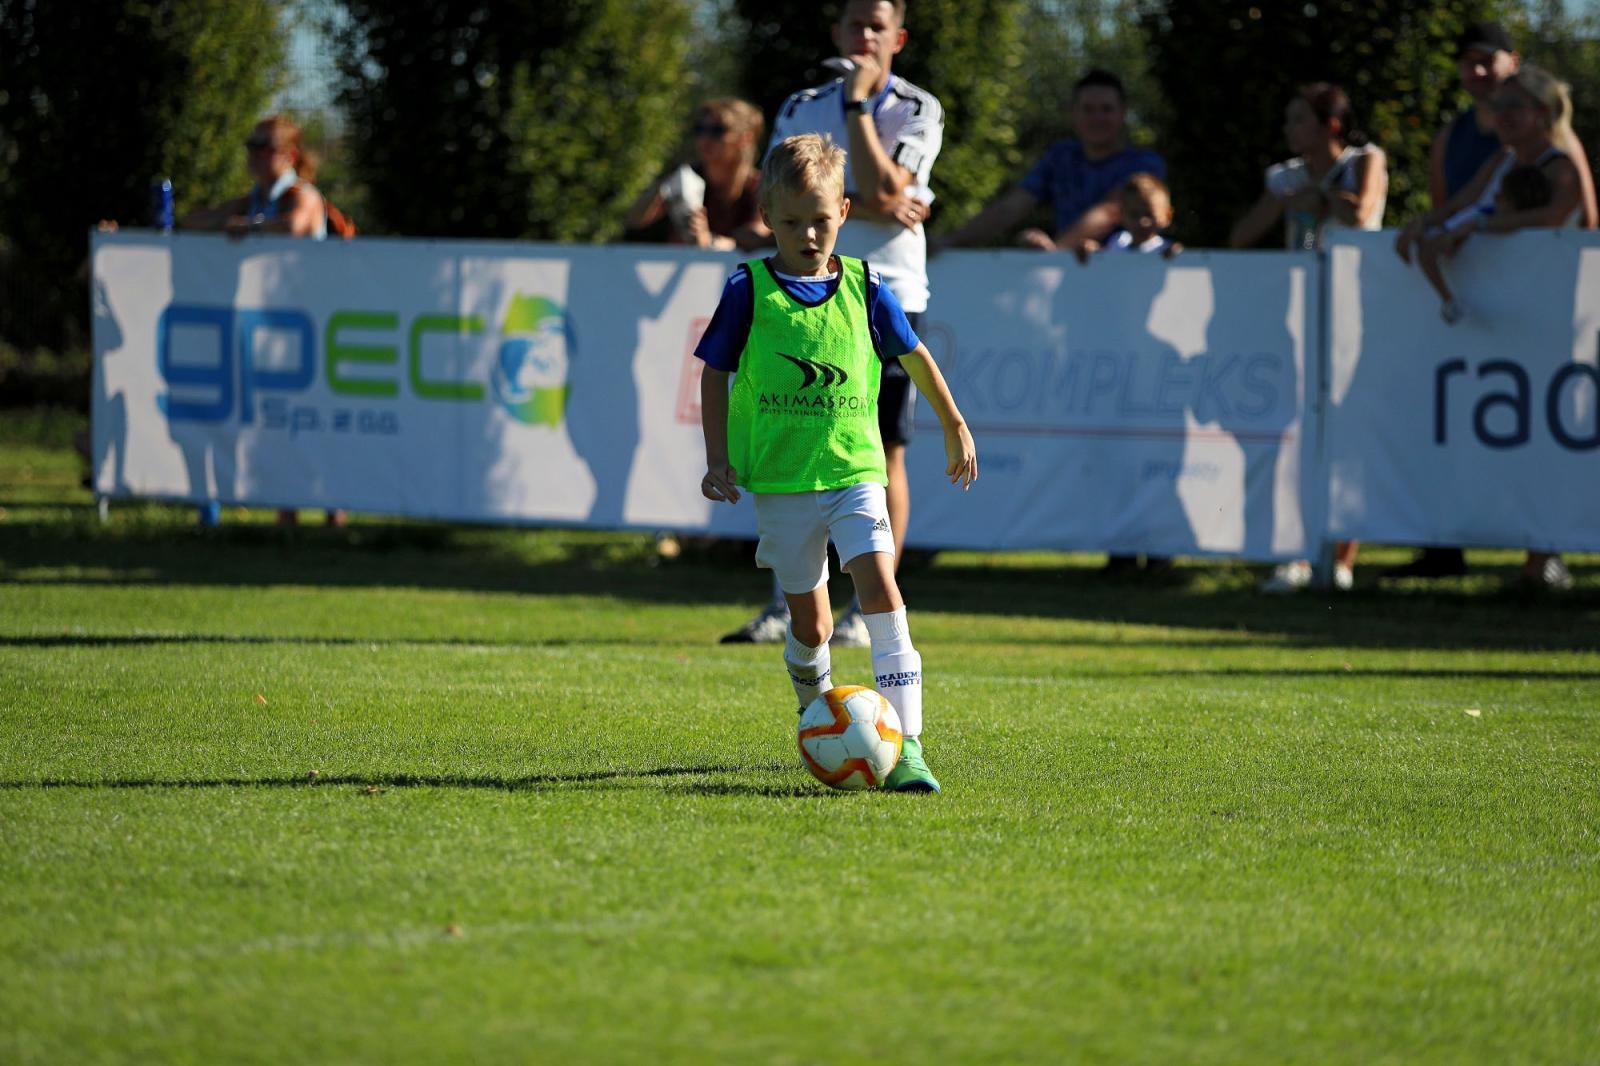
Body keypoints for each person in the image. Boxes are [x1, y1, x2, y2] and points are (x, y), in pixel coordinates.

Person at [695, 134, 977, 792]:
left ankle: (908, 747)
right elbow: (715, 372)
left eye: (821, 220)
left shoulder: (867, 286)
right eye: (792, 222)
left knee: (881, 588)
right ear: (767, 216)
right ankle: (815, 712)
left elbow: (915, 357)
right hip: (783, 483)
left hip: (855, 473)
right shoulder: (749, 288)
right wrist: (717, 456)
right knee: (812, 623)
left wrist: (954, 424)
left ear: (844, 213)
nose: (808, 234)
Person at [721, 0, 944, 647]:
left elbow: (879, 187)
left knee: (884, 451)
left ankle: (865, 613)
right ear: (837, 32)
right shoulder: (797, 107)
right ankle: (790, 607)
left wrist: (857, 108)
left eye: (878, 26)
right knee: (791, 436)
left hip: (885, 291)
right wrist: (877, 198)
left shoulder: (918, 106)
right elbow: (847, 200)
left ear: (897, 37)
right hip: (793, 295)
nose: (865, 36)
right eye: (855, 24)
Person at [1384, 21, 1598, 581]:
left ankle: (1546, 556)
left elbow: (1559, 219)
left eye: (1516, 108)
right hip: (1503, 334)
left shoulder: (1561, 160)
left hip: (1554, 328)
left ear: (1544, 114)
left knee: (1555, 435)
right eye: (1500, 108)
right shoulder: (1500, 160)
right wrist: (1425, 225)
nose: (1503, 118)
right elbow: (1459, 201)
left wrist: (1484, 228)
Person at [1231, 83, 1387, 594]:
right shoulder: (1285, 178)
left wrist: (1317, 198)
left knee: (1347, 439)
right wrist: (1285, 203)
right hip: (1298, 321)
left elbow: (1361, 213)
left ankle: (1341, 558)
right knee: (1294, 438)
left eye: (1299, 119)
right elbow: (1242, 236)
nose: (1289, 130)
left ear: (1330, 126)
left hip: (1356, 317)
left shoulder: (1364, 161)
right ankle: (1295, 554)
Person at [181, 115, 345, 529]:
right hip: (274, 331)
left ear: (287, 155)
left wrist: (247, 228)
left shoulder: (300, 194)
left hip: (313, 330)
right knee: (281, 424)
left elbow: (296, 226)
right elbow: (194, 221)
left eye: (263, 147)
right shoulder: (255, 198)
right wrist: (224, 222)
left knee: (316, 428)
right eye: (250, 146)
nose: (253, 155)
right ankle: (287, 520)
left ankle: (334, 521)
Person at [936, 69, 1166, 255]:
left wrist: (1055, 255)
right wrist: (951, 242)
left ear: (1123, 113)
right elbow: (1014, 205)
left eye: (1106, 109)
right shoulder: (1061, 157)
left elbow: (1109, 212)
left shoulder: (1144, 163)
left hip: (1125, 279)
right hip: (1069, 276)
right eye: (1088, 109)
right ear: (1073, 113)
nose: (1097, 118)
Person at [623, 98, 770, 251]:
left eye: (717, 131)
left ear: (746, 138)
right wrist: (664, 180)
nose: (705, 139)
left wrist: (709, 242)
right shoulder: (685, 178)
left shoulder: (761, 186)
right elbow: (635, 220)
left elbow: (757, 237)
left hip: (738, 272)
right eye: (700, 129)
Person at [1417, 163, 1552, 320]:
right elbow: (1451, 229)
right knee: (1427, 251)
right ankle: (1449, 300)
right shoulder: (1484, 212)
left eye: (1502, 196)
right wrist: (1452, 236)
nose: (1495, 196)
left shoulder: (1487, 218)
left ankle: (1449, 301)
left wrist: (1474, 226)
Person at [1076, 172, 1182, 261]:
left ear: (1167, 216)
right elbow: (1105, 262)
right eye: (1134, 215)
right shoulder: (1118, 241)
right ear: (1121, 215)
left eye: (1150, 214)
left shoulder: (1166, 250)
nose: (1143, 221)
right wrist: (1092, 251)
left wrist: (1178, 258)